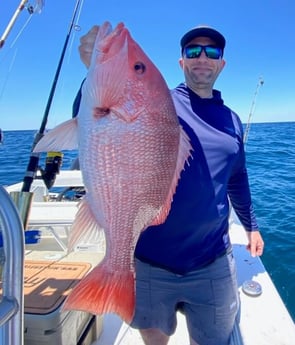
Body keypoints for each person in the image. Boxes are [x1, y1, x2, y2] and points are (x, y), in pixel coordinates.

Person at [74, 24, 264, 345]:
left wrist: (251, 226)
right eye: (193, 51)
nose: (202, 57)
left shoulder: (232, 119)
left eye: (211, 52)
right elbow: (95, 118)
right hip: (150, 261)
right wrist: (93, 70)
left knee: (214, 339)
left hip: (212, 259)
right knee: (154, 338)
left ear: (221, 63)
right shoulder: (159, 100)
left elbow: (237, 178)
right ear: (182, 62)